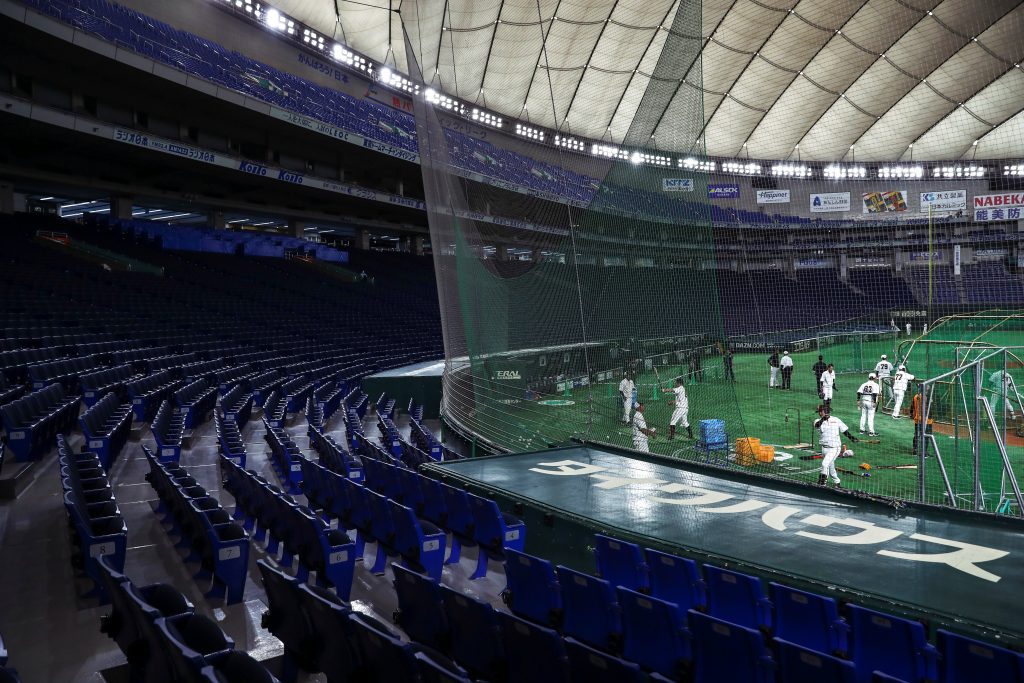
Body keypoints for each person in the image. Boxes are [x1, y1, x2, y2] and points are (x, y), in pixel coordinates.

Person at [815, 404, 859, 487]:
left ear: (822, 412)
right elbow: (817, 425)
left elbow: (844, 431)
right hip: (824, 449)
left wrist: (852, 438)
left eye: (820, 412)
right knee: (831, 466)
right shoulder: (817, 421)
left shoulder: (836, 420)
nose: (819, 413)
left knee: (825, 464)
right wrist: (823, 419)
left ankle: (821, 484)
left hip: (834, 448)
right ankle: (837, 482)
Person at [856, 372, 881, 436]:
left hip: (864, 401)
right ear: (874, 378)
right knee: (870, 417)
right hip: (871, 402)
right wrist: (875, 402)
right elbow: (874, 394)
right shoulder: (875, 385)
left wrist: (858, 400)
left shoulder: (864, 384)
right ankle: (871, 432)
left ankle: (862, 430)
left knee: (863, 416)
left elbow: (859, 392)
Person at [911, 388, 934, 455]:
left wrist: (912, 414)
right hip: (926, 420)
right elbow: (927, 409)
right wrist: (929, 416)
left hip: (917, 420)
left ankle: (915, 450)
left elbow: (912, 406)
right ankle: (924, 452)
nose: (928, 390)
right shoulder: (927, 397)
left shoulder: (915, 396)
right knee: (926, 436)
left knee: (916, 434)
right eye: (927, 389)